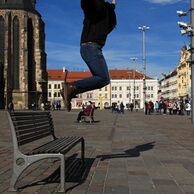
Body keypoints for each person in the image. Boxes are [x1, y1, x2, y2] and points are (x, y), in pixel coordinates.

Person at [62, 0, 117, 111]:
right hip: (90, 47)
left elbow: (111, 24)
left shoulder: (105, 14)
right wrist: (110, 8)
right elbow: (87, 5)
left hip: (92, 48)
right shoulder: (95, 8)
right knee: (103, 78)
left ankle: (71, 89)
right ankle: (71, 87)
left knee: (102, 79)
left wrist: (111, 8)